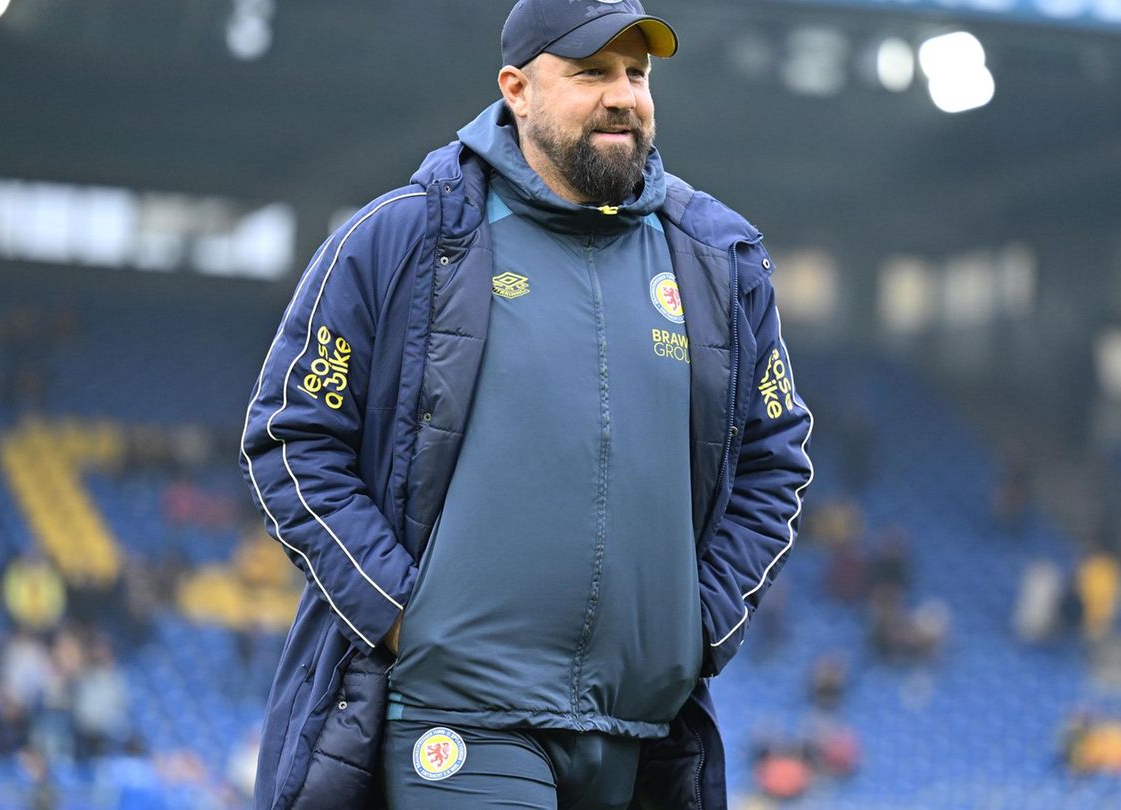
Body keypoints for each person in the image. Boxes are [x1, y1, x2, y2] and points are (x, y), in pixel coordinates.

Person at [237, 1, 814, 807]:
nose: (623, 96)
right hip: (458, 716)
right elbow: (292, 441)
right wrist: (404, 614)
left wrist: (699, 627)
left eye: (636, 74)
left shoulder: (721, 263)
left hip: (644, 730)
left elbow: (774, 463)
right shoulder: (401, 239)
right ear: (517, 88)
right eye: (591, 73)